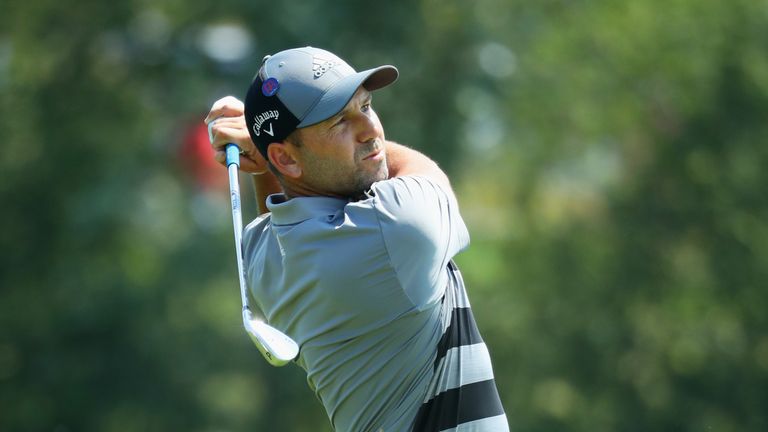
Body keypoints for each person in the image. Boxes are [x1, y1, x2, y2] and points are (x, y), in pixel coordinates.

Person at [205, 47, 508, 432]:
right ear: (286, 159)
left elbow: (283, 218)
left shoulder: (262, 257)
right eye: (339, 123)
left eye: (365, 107)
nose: (371, 131)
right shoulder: (398, 228)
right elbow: (424, 174)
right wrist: (264, 151)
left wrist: (266, 158)